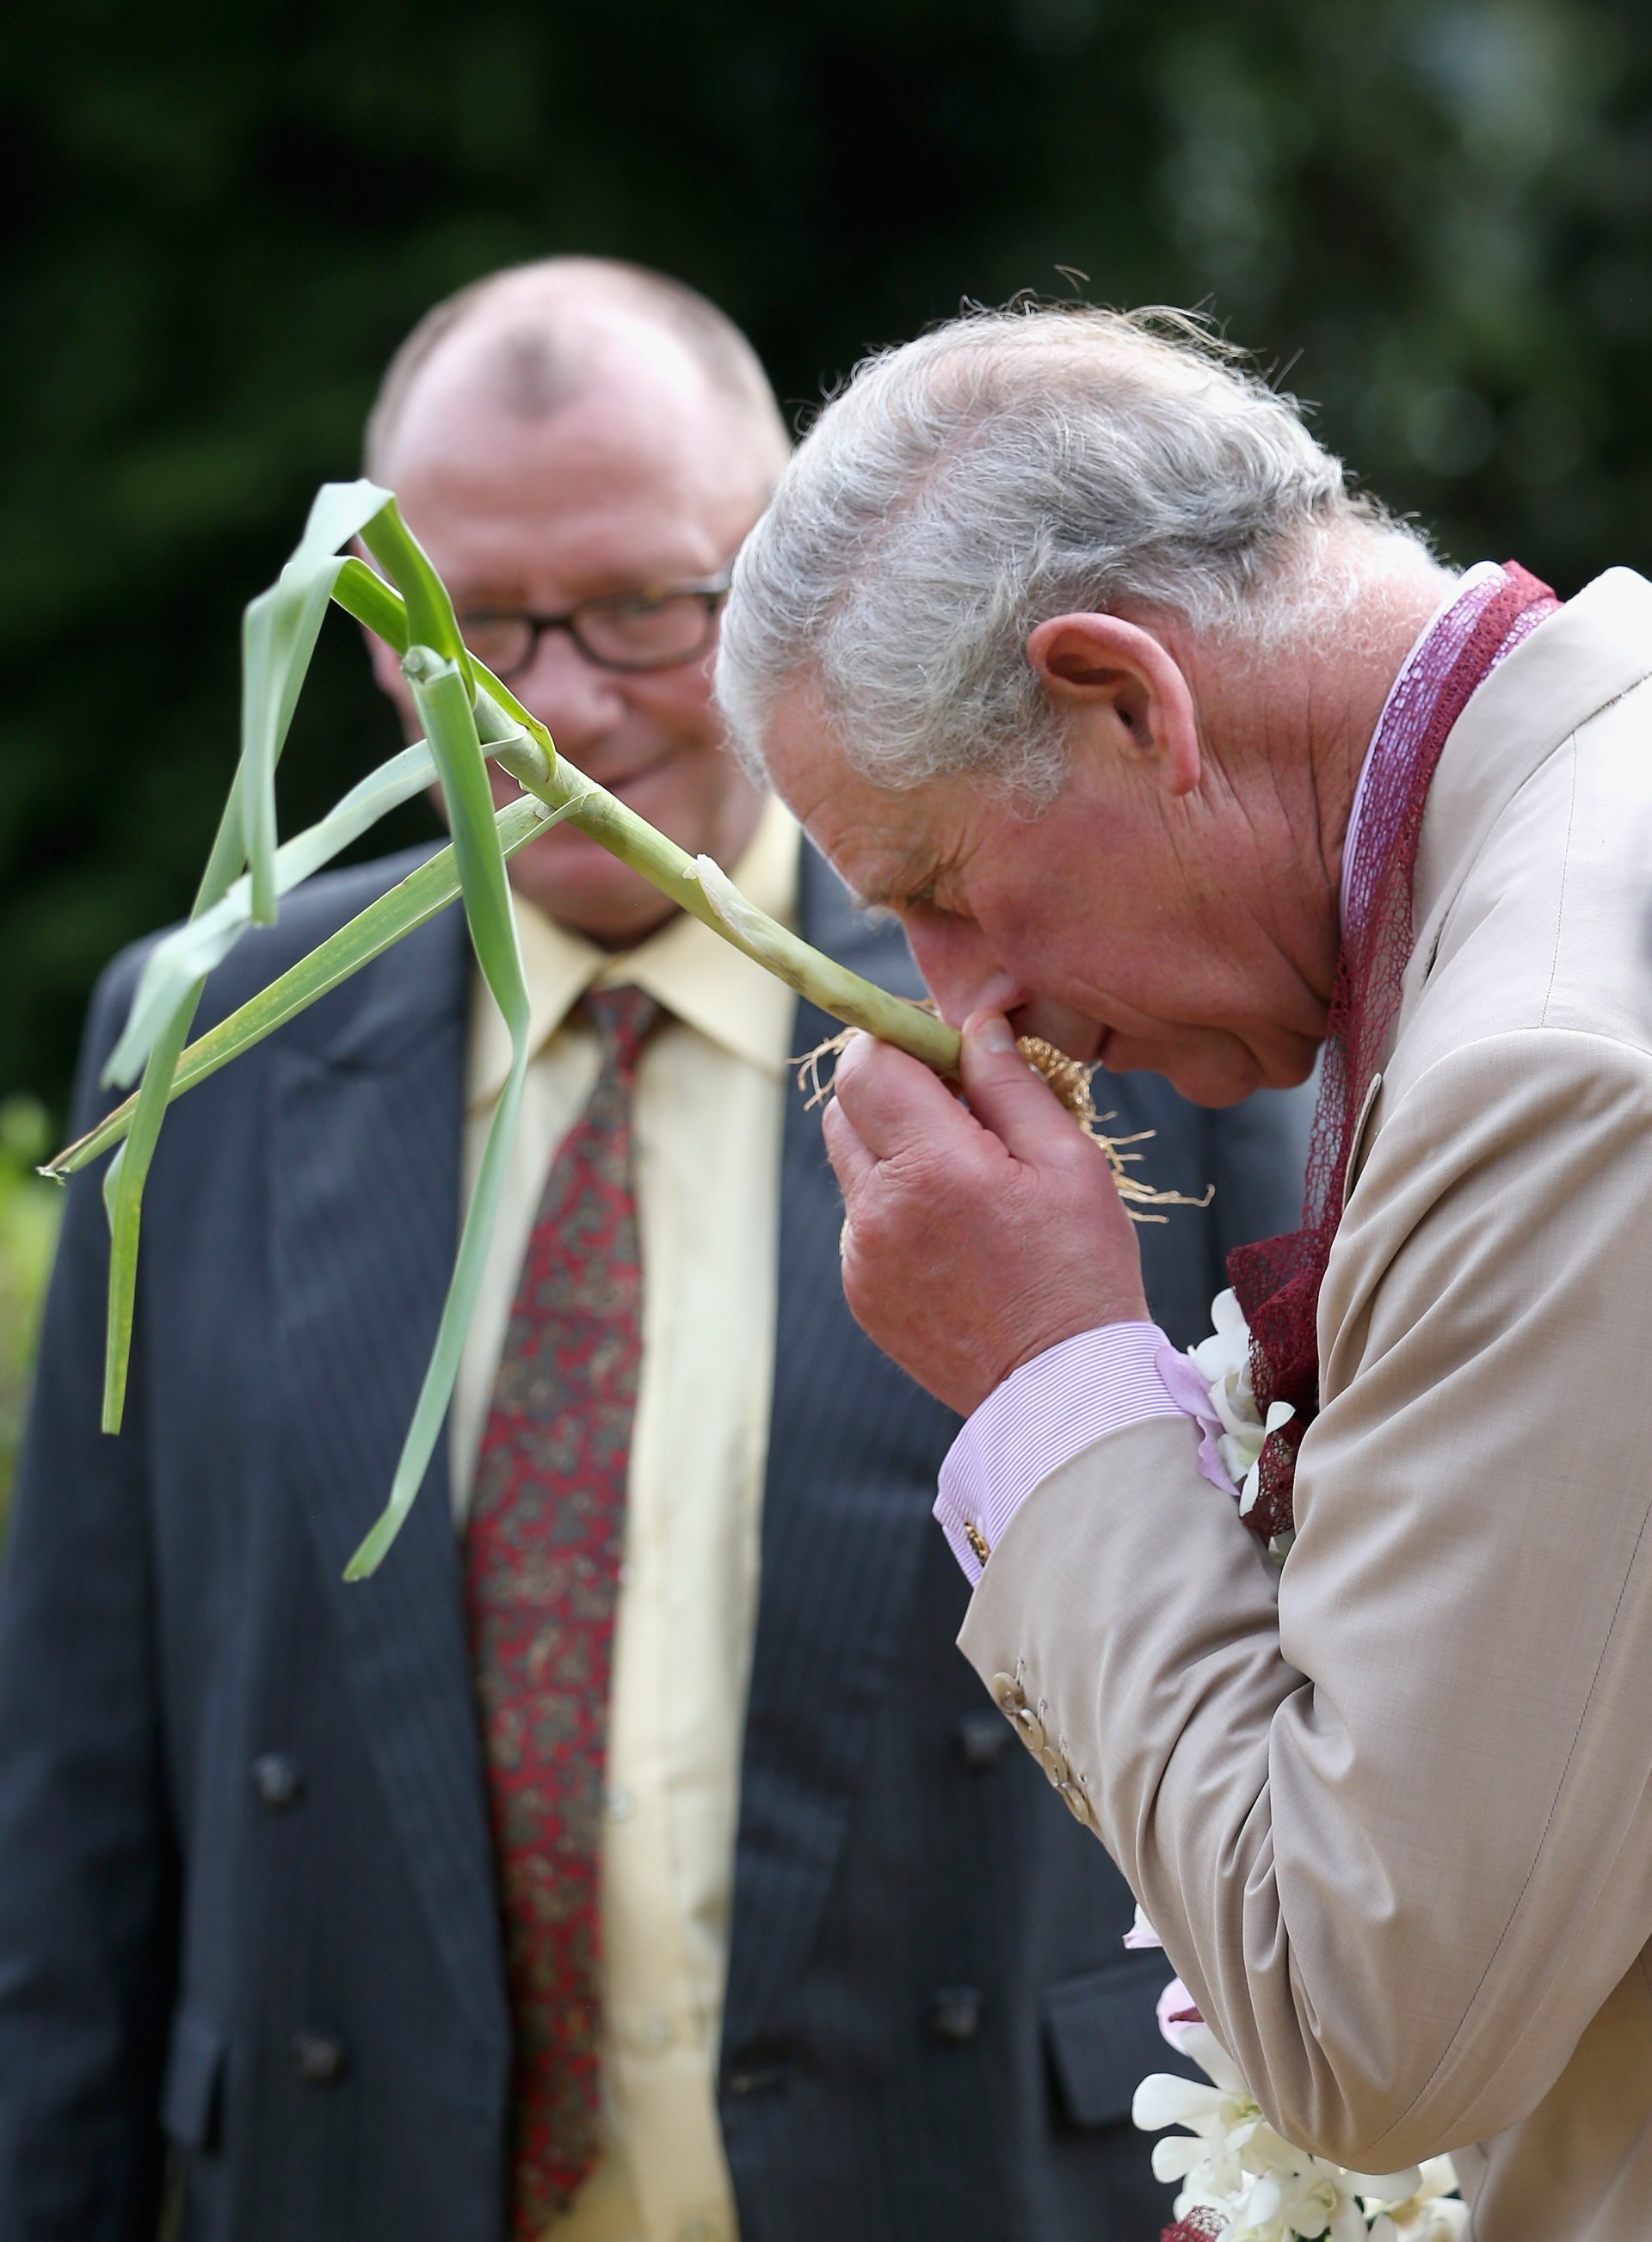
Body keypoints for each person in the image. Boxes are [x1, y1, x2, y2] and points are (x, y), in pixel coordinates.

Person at [0, 269, 1310, 2242]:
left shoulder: (1087, 1018)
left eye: (639, 609)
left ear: (782, 594)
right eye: (457, 626)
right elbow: (80, 1773)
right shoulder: (207, 1050)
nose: (560, 700)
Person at [713, 300, 1652, 2242]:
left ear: (1128, 698)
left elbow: (1374, 2029)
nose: (966, 1011)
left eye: (939, 894)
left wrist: (1050, 1375)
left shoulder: (1550, 1066)